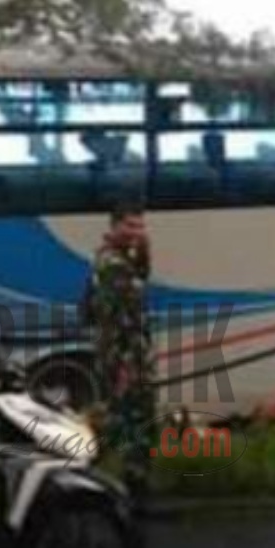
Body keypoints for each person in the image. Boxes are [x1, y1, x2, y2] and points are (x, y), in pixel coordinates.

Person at [86, 202, 154, 497]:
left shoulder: (119, 260)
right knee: (124, 422)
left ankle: (130, 484)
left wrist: (144, 253)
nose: (137, 232)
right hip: (124, 357)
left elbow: (139, 281)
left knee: (131, 421)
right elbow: (118, 318)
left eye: (140, 226)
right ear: (114, 226)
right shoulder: (112, 266)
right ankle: (83, 471)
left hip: (130, 354)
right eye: (130, 225)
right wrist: (124, 366)